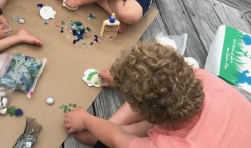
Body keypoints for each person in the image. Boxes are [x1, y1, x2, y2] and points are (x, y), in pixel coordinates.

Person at [63, 42, 251, 147]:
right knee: (157, 91)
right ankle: (105, 128)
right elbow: (160, 81)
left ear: (147, 114)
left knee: (103, 144)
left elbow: (117, 140)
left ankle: (101, 131)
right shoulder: (203, 78)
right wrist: (123, 80)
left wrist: (86, 119)